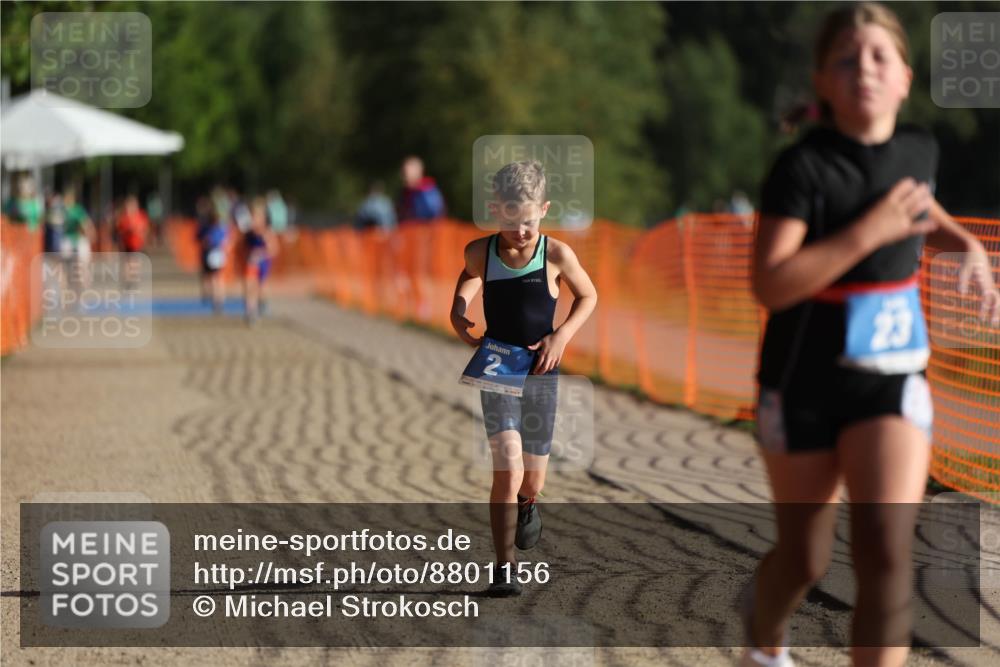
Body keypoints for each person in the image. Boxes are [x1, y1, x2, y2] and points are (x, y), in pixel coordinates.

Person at [747, 4, 999, 667]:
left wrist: (965, 243)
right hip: (799, 382)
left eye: (879, 56)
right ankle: (763, 639)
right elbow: (770, 283)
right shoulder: (801, 170)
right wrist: (868, 234)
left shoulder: (919, 149)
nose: (865, 68)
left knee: (886, 551)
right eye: (847, 58)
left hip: (888, 379)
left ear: (905, 77)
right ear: (822, 82)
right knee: (806, 555)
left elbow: (918, 205)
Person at [450, 160, 597, 597]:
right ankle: (503, 568)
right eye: (512, 221)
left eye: (530, 221)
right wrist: (458, 309)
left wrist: (562, 336)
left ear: (544, 210)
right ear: (497, 210)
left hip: (541, 375)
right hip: (498, 369)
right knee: (507, 469)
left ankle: (529, 504)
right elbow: (468, 277)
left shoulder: (555, 254)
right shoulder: (481, 252)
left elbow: (588, 295)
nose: (521, 231)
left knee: (532, 480)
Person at [242, 197, 279, 326]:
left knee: (259, 288)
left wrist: (261, 254)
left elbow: (274, 250)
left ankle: (261, 304)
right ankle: (250, 312)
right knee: (248, 285)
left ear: (263, 217)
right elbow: (244, 248)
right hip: (251, 263)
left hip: (263, 263)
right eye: (252, 216)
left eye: (256, 216)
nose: (253, 219)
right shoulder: (248, 233)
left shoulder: (267, 232)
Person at [196, 196, 230, 314]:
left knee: (216, 278)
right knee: (212, 277)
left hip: (215, 254)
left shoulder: (219, 226)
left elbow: (225, 240)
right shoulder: (207, 225)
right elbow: (199, 238)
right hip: (210, 254)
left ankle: (218, 300)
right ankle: (215, 298)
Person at [398, 156, 446, 222]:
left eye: (405, 172)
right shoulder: (405, 193)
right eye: (403, 172)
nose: (403, 176)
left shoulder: (427, 191)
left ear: (418, 171)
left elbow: (435, 215)